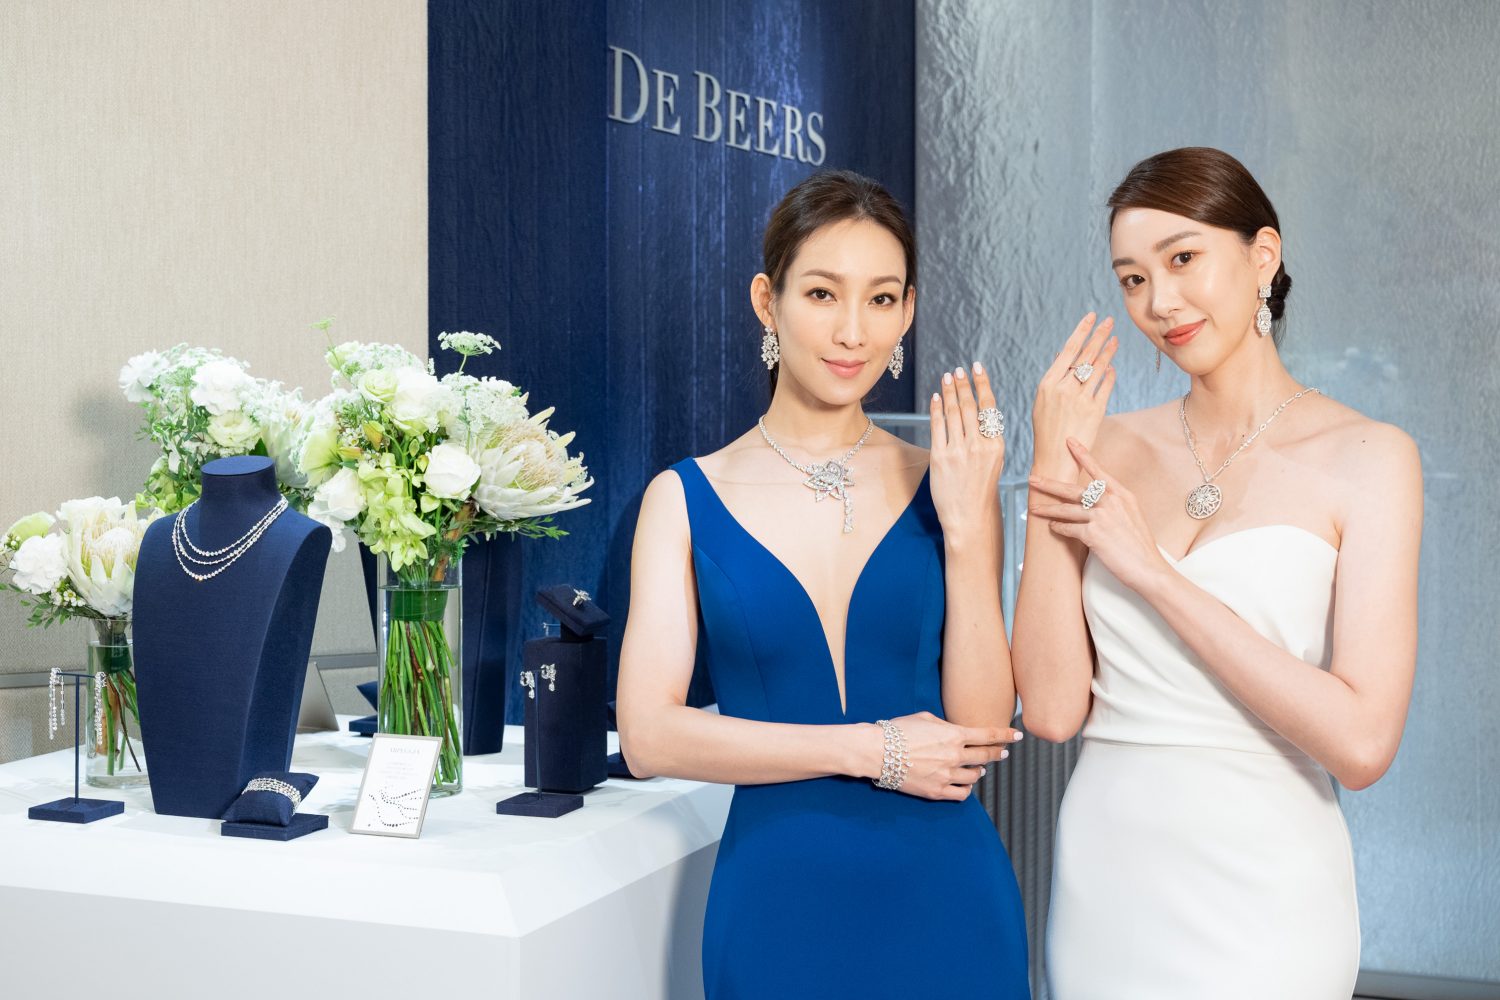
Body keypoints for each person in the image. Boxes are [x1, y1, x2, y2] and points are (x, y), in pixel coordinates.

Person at [1013, 147, 1422, 998]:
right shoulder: (1102, 445)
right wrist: (1051, 462)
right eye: (1132, 279)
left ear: (1262, 256)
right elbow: (1051, 711)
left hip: (1268, 894)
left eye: (1183, 259)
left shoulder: (1369, 457)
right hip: (1109, 889)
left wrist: (1155, 574)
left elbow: (1362, 744)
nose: (1159, 303)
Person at [616, 169, 1030, 999]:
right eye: (821, 294)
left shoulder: (947, 483)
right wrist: (870, 750)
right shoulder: (683, 498)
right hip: (779, 907)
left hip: (948, 899)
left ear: (907, 313)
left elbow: (983, 728)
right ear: (766, 302)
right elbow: (648, 737)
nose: (851, 332)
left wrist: (965, 527)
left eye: (881, 299)